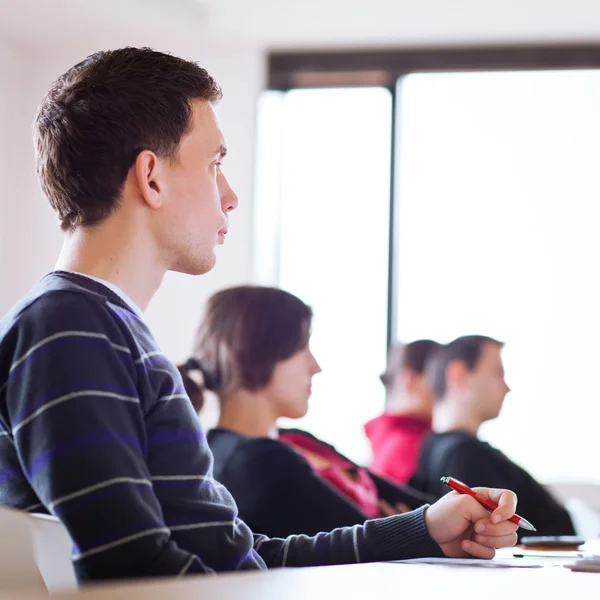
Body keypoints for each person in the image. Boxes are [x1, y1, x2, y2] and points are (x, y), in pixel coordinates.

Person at [0, 47, 519, 584]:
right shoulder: (69, 330)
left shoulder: (100, 329)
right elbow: (135, 575)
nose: (230, 196)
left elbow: (239, 562)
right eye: (214, 164)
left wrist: (422, 530)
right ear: (151, 178)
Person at [179, 285, 436, 539]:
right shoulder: (252, 461)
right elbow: (376, 543)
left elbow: (419, 511)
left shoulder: (294, 439)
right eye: (303, 348)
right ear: (261, 353)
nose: (316, 366)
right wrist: (403, 529)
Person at [410, 335, 575, 537]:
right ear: (459, 374)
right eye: (499, 373)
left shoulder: (430, 448)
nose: (507, 387)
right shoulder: (465, 455)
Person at [364, 340, 441, 485]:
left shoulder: (388, 437)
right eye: (439, 378)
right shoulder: (408, 445)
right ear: (411, 380)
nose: (445, 388)